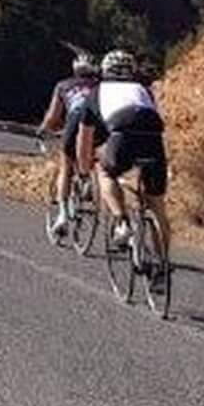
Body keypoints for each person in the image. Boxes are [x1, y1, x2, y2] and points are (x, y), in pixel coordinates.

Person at [81, 49, 168, 264]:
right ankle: (162, 264)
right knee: (157, 204)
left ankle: (122, 222)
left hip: (121, 135)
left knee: (104, 171)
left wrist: (84, 170)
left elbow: (84, 139)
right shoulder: (143, 90)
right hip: (153, 137)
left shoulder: (97, 92)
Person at [35, 51, 99, 243]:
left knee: (66, 166)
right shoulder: (101, 87)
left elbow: (53, 117)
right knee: (95, 154)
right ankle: (87, 179)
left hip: (73, 121)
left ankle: (62, 215)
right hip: (99, 125)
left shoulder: (64, 85)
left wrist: (43, 131)